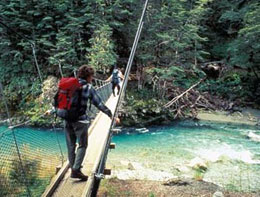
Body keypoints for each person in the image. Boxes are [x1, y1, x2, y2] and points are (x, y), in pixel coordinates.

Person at [46, 65, 119, 181]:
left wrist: (52, 110)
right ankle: (75, 170)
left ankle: (75, 168)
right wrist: (112, 116)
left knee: (71, 145)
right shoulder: (88, 87)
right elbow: (99, 104)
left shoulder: (68, 85)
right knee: (82, 145)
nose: (92, 78)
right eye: (92, 76)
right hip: (80, 121)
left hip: (66, 119)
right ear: (89, 76)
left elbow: (59, 101)